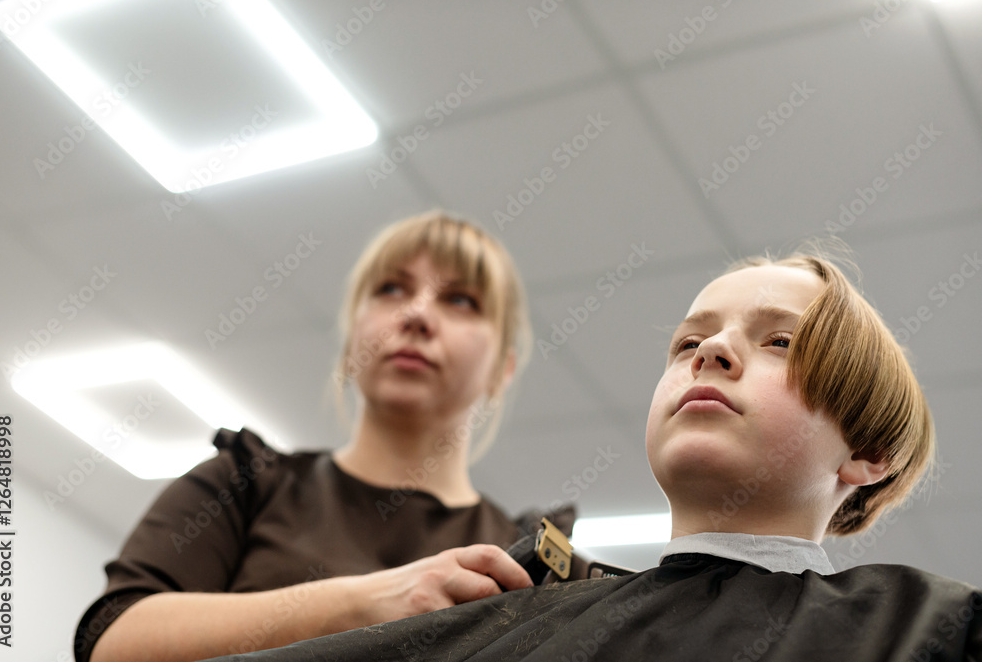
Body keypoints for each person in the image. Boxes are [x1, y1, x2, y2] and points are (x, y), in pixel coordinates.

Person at [202, 245, 981, 661]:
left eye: (780, 341)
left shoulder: (929, 630)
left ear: (869, 452)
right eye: (688, 341)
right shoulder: (513, 611)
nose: (710, 350)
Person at [74, 211, 578, 662]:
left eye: (460, 300)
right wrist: (364, 603)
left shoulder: (537, 558)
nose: (417, 315)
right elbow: (112, 639)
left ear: (503, 369)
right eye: (391, 289)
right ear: (350, 337)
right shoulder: (245, 483)